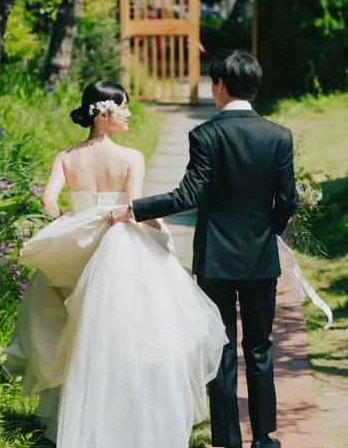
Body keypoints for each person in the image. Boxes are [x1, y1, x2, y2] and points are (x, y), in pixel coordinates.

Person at [3, 80, 228, 448]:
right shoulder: (131, 157)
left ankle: (79, 419)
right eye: (124, 107)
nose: (129, 114)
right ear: (104, 115)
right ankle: (127, 418)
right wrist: (162, 234)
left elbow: (48, 202)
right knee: (126, 336)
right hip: (119, 249)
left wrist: (70, 226)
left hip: (79, 250)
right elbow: (134, 208)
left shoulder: (65, 157)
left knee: (78, 334)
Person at [112, 50, 299, 448]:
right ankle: (264, 437)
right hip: (260, 260)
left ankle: (228, 439)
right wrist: (269, 232)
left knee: (221, 348)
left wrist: (135, 209)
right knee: (260, 346)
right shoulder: (279, 136)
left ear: (221, 85)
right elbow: (288, 200)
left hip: (215, 260)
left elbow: (187, 195)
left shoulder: (205, 135)